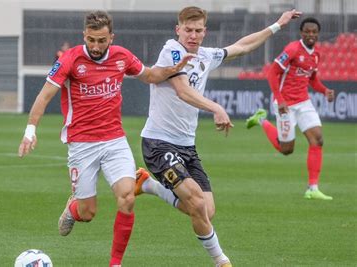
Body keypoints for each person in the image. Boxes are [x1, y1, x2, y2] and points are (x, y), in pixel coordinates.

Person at [18, 10, 192, 267]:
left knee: (127, 198)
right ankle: (72, 207)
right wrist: (30, 131)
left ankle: (115, 263)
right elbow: (44, 96)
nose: (96, 46)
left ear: (112, 37)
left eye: (101, 40)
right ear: (84, 36)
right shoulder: (70, 59)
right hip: (82, 145)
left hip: (114, 141)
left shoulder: (122, 56)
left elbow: (149, 76)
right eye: (91, 40)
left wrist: (172, 69)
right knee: (88, 213)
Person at [133, 6, 301, 267]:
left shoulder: (207, 55)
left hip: (186, 146)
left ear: (204, 32)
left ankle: (147, 184)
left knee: (205, 211)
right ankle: (221, 261)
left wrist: (278, 24)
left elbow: (242, 46)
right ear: (178, 30)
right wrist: (216, 107)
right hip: (158, 142)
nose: (193, 35)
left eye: (198, 30)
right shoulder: (172, 51)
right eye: (188, 30)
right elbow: (182, 91)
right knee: (197, 202)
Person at [246, 17, 334, 200]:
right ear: (302, 33)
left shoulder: (315, 55)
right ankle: (261, 119)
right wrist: (280, 100)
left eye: (314, 32)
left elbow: (312, 80)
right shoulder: (292, 49)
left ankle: (312, 188)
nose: (311, 35)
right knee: (286, 149)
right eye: (307, 31)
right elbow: (272, 73)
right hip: (285, 104)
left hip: (303, 102)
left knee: (317, 139)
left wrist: (325, 90)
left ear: (318, 34)